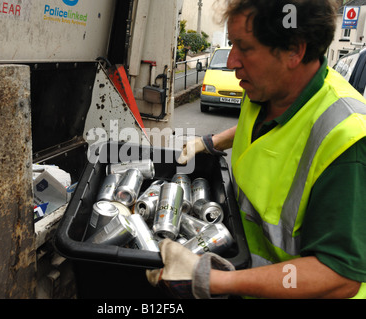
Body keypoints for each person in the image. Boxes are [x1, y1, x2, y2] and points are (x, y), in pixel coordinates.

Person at [147, 0, 366, 299]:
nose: (232, 60)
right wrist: (210, 142)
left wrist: (212, 280)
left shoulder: (348, 141)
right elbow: (268, 128)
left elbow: (338, 275)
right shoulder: (268, 88)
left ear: (294, 50)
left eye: (245, 48)